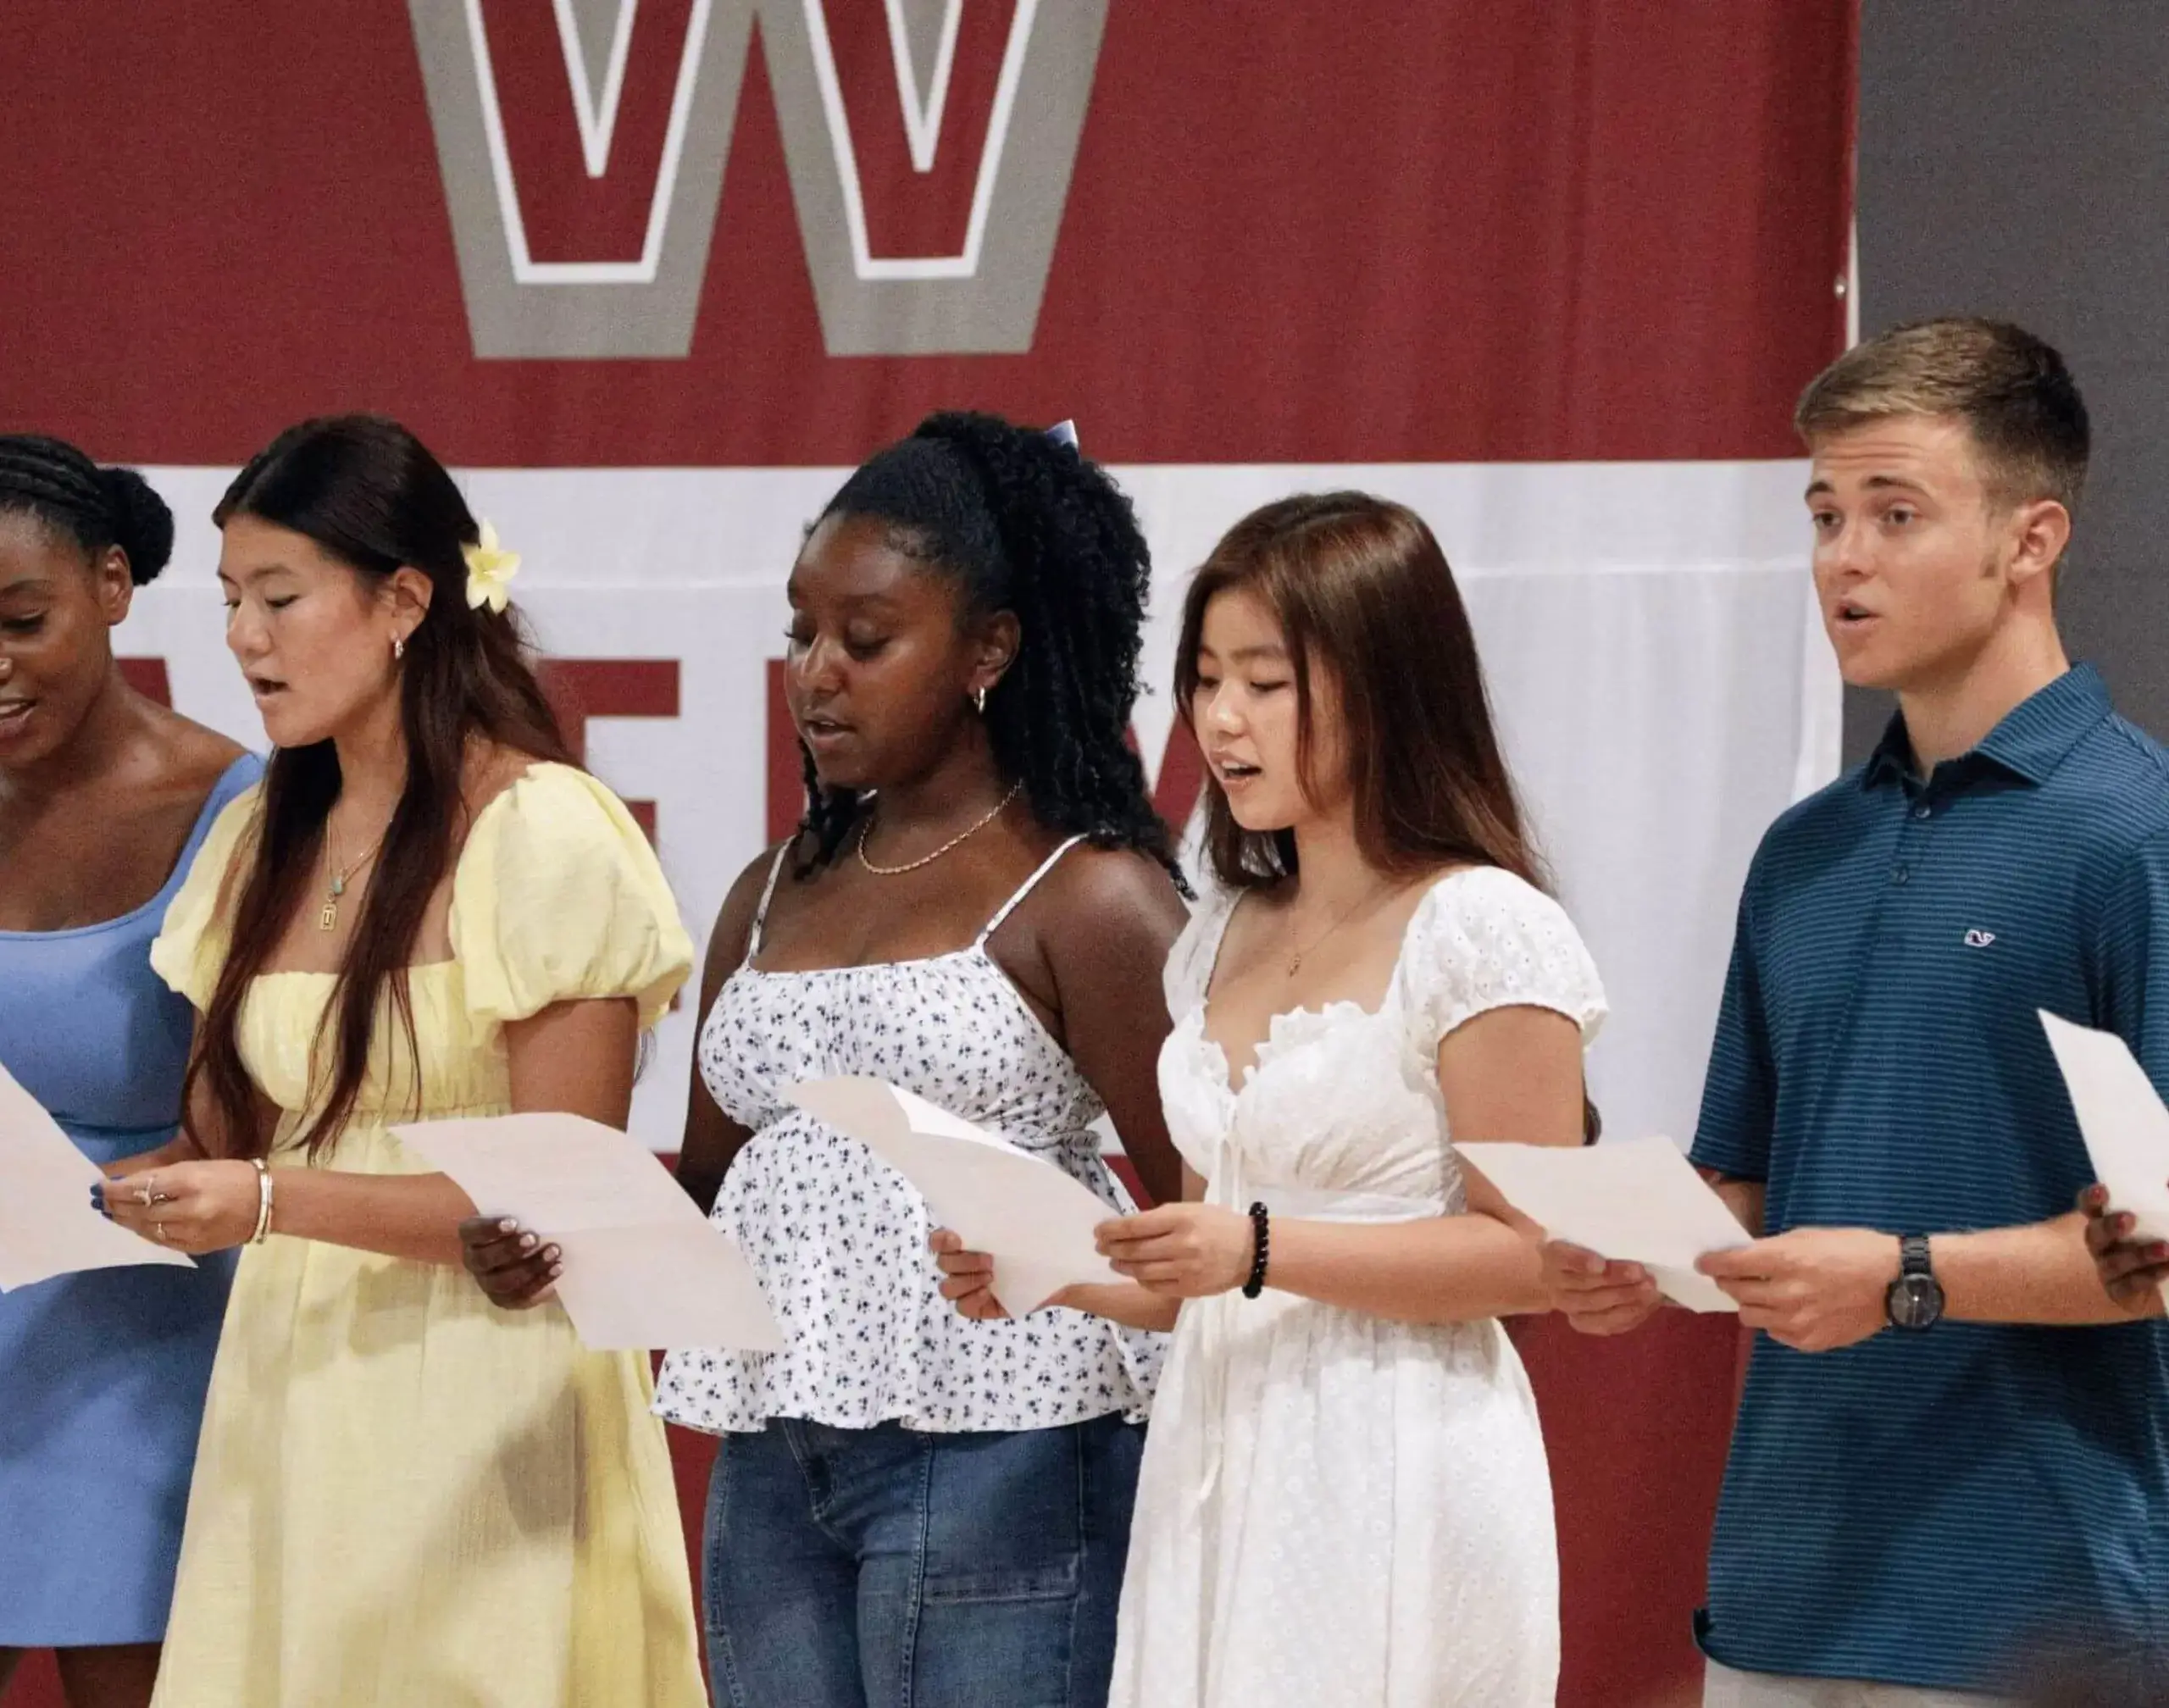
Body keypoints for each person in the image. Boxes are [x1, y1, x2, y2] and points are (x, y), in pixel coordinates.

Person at [463, 412, 1190, 1708]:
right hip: (776, 1442)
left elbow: (1210, 1224)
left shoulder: (1090, 895)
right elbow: (707, 1179)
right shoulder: (772, 887)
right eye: (799, 635)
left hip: (1011, 1442)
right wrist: (557, 1231)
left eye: (865, 640)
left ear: (990, 649)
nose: (814, 674)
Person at [1543, 319, 2169, 1705]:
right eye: (1826, 514)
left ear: (2032, 538)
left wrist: (1906, 1276)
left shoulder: (2137, 831)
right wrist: (1651, 1260)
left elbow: (2166, 1247)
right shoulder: (1804, 853)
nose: (1845, 557)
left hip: (2034, 1618)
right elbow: (1750, 1185)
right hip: (1779, 1601)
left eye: (1896, 514)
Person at [937, 492, 1608, 1707]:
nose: (1223, 720)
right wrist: (1053, 1271)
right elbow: (1211, 1267)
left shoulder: (1485, 927)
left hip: (1398, 1456)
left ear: (1385, 685)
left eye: (1267, 681)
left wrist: (1251, 1247)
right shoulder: (1220, 935)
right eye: (1204, 679)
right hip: (1219, 1446)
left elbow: (1536, 1257)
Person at [92, 416, 706, 1707]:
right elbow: (230, 1136)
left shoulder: (540, 830)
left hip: (481, 1388)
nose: (243, 637)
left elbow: (560, 1203)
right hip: (290, 1385)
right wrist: (128, 1193)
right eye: (228, 601)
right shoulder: (262, 830)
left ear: (405, 602)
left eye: (279, 597)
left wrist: (266, 1201)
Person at [0, 437, 255, 1708]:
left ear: (111, 586)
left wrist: (74, 1214)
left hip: (140, 1345)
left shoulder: (241, 806)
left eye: (23, 620)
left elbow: (246, 1121)